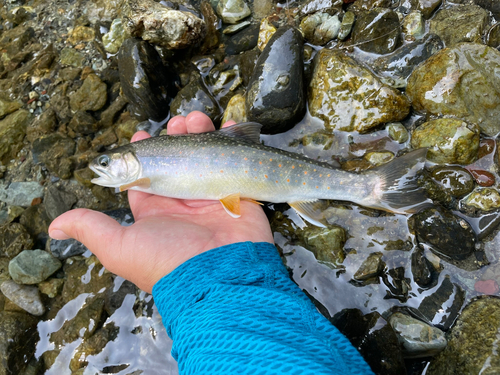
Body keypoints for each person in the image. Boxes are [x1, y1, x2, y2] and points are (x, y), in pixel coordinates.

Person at [49, 111, 374, 375]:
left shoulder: (145, 170)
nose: (100, 169)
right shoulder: (143, 171)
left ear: (128, 161)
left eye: (106, 164)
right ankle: (364, 188)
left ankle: (366, 188)